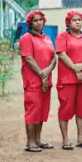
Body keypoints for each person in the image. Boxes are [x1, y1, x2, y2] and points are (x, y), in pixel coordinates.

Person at [55, 10, 82, 150]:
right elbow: (62, 54)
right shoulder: (63, 36)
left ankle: (80, 138)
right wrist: (75, 69)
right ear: (68, 22)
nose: (77, 22)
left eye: (79, 19)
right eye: (74, 20)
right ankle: (66, 139)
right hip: (67, 79)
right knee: (65, 108)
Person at [19, 10, 57, 153]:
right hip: (33, 81)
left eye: (41, 19)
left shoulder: (47, 38)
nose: (39, 22)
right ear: (30, 23)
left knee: (42, 111)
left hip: (46, 81)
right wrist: (42, 74)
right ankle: (30, 142)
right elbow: (28, 58)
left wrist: (47, 72)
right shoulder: (26, 38)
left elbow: (54, 57)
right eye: (35, 20)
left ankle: (38, 139)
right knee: (32, 111)